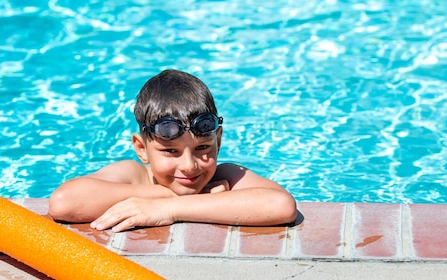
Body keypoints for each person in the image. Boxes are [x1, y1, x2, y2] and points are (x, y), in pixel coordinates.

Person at [48, 69, 297, 232]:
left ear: (218, 140)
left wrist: (170, 209)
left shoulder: (229, 174)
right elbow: (64, 203)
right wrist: (171, 195)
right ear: (141, 148)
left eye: (202, 148)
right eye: (171, 152)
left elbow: (281, 206)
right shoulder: (133, 175)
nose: (190, 166)